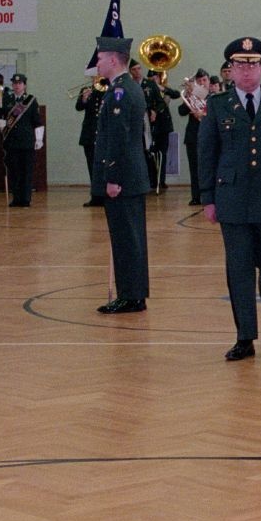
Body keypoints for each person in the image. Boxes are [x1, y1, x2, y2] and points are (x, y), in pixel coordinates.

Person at [200, 37, 261, 362]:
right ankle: (245, 336)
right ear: (230, 70)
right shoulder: (218, 105)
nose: (246, 71)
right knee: (239, 268)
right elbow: (206, 154)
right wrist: (207, 198)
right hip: (232, 198)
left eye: (253, 64)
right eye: (240, 65)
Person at [91, 37, 151, 314]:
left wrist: (112, 177)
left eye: (100, 58)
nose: (97, 63)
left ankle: (131, 295)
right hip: (130, 176)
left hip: (123, 178)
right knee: (130, 237)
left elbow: (118, 138)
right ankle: (133, 293)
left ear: (114, 59)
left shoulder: (120, 92)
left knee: (127, 238)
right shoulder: (125, 88)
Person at [0, 73, 43, 207]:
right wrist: (1, 123)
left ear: (24, 85)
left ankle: (25, 199)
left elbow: (37, 121)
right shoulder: (6, 100)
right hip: (11, 142)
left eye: (20, 83)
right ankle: (16, 198)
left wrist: (39, 139)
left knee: (26, 171)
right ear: (12, 85)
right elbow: (3, 117)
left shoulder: (30, 100)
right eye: (15, 83)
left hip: (26, 141)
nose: (17, 86)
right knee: (14, 171)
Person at [178, 68, 211, 207]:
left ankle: (210, 196)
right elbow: (181, 111)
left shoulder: (215, 96)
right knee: (194, 168)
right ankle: (196, 196)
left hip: (210, 136)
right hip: (193, 136)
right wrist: (190, 94)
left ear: (209, 81)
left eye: (204, 80)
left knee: (210, 167)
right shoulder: (191, 95)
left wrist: (202, 113)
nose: (202, 83)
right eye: (199, 81)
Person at [144, 69, 178, 194]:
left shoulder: (165, 89)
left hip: (164, 126)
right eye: (151, 79)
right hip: (150, 126)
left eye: (155, 78)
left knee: (162, 153)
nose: (153, 81)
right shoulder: (146, 90)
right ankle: (152, 180)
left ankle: (161, 180)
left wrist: (163, 88)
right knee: (150, 153)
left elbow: (176, 94)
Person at [75, 78, 106, 207]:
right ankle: (96, 196)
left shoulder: (110, 89)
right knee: (92, 166)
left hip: (104, 134)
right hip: (89, 134)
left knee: (104, 167)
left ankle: (106, 195)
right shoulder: (87, 90)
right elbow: (79, 107)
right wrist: (84, 99)